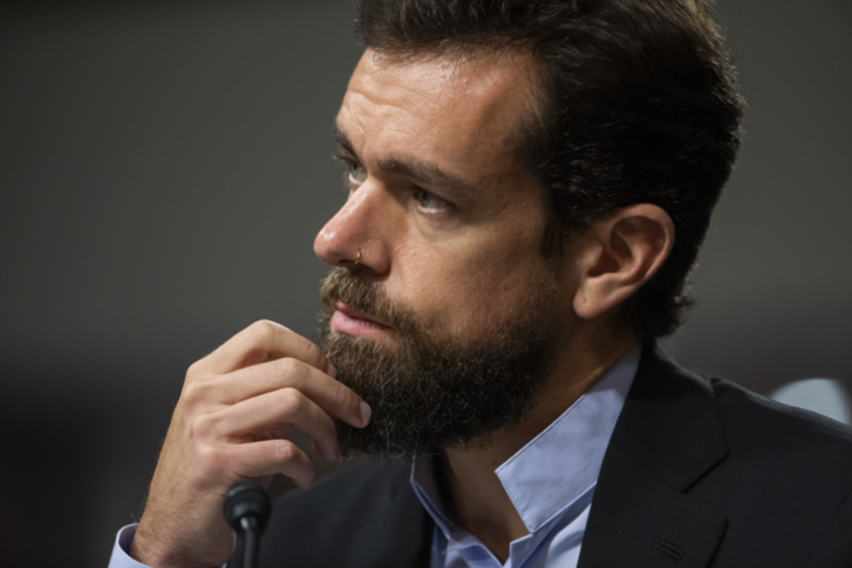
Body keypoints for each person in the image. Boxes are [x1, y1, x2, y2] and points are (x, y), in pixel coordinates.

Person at [109, 0, 852, 567]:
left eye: (428, 197)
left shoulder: (825, 517)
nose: (334, 240)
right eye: (356, 169)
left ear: (613, 259)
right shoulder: (280, 544)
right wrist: (164, 559)